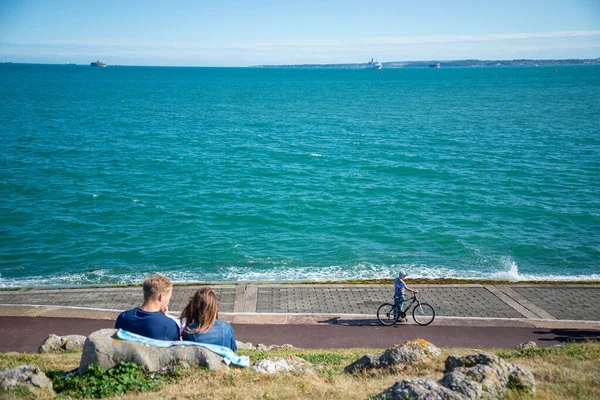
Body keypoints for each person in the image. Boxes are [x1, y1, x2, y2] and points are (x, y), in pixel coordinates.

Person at [115, 273, 180, 341]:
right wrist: (165, 318)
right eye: (169, 298)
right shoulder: (169, 325)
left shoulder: (123, 317)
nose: (168, 302)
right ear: (161, 296)